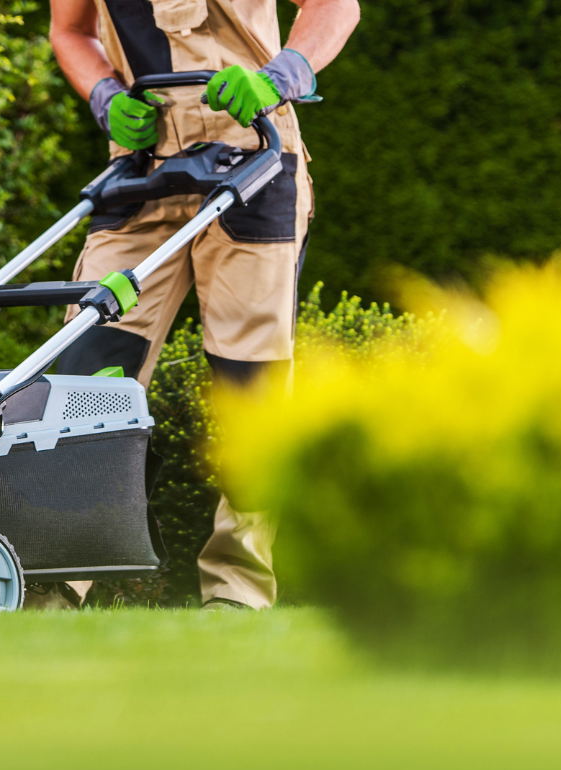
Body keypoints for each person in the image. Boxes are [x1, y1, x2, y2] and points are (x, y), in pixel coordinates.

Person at [47, 0, 359, 610]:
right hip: (143, 164)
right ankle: (56, 576)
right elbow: (71, 29)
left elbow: (335, 7)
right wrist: (106, 97)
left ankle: (238, 591)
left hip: (254, 150)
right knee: (86, 371)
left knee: (251, 381)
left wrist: (280, 77)